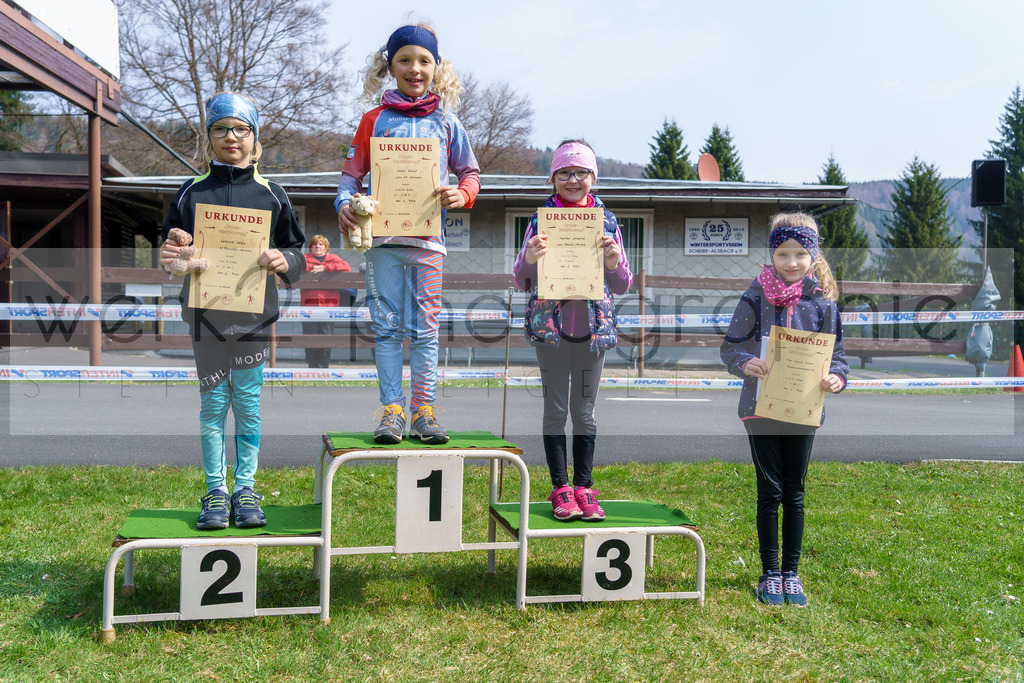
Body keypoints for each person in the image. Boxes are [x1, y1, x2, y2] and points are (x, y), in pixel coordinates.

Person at [160, 92, 305, 530]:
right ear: (209, 137)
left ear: (254, 138)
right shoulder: (189, 191)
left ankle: (245, 489)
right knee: (211, 406)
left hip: (253, 318)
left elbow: (296, 250)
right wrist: (174, 256)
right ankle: (215, 493)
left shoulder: (273, 194)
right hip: (205, 318)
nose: (231, 137)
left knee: (247, 405)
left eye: (241, 129)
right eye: (221, 129)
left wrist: (287, 262)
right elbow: (169, 251)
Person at [335, 24, 480, 445]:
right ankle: (392, 411)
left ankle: (425, 411)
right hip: (381, 245)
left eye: (424, 61)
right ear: (389, 65)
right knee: (384, 329)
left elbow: (470, 174)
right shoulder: (372, 120)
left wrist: (463, 193)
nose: (414, 69)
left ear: (437, 67)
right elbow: (349, 178)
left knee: (425, 329)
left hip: (427, 244)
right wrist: (343, 205)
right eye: (405, 60)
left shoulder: (448, 124)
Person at [719, 212, 849, 606]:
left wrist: (836, 379)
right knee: (769, 490)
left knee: (795, 491)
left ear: (813, 257)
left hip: (804, 410)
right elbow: (730, 347)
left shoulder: (823, 304)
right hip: (760, 407)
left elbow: (838, 357)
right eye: (782, 254)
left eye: (799, 254)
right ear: (772, 255)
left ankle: (791, 574)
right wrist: (746, 363)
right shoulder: (753, 296)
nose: (791, 262)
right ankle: (769, 572)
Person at [513, 140, 633, 522]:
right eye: (564, 172)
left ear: (593, 178)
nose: (573, 179)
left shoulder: (608, 222)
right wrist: (529, 259)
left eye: (581, 172)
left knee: (584, 413)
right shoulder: (539, 220)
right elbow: (520, 280)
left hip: (592, 334)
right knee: (555, 411)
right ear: (553, 179)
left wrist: (613, 262)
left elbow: (623, 284)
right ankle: (560, 488)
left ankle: (584, 487)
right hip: (551, 332)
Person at [301, 234, 351, 368]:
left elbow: (346, 267)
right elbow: (298, 269)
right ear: (310, 247)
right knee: (309, 338)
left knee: (326, 338)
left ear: (326, 248)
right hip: (308, 306)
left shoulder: (333, 258)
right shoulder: (305, 259)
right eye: (314, 244)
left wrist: (326, 268)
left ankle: (323, 368)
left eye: (320, 244)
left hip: (329, 306)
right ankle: (312, 368)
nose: (317, 246)